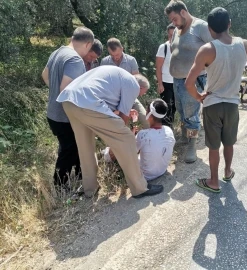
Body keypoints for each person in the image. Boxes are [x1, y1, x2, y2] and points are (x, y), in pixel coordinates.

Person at [56, 66, 164, 198]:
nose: (140, 96)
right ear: (140, 88)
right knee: (126, 139)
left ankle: (90, 189)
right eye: (142, 93)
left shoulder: (116, 75)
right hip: (87, 102)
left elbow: (104, 105)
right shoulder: (132, 83)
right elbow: (122, 121)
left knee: (85, 146)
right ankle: (140, 188)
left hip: (69, 100)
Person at [185, 7, 247, 192]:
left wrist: (199, 97)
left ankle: (213, 181)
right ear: (229, 24)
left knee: (213, 147)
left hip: (213, 104)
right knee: (228, 142)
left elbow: (189, 83)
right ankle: (228, 172)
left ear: (210, 29)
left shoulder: (207, 49)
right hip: (232, 104)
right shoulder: (243, 45)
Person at [41, 26, 94, 187]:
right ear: (87, 44)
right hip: (64, 116)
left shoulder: (57, 52)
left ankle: (79, 178)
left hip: (52, 113)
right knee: (68, 151)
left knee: (70, 147)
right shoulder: (75, 59)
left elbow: (44, 75)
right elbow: (66, 90)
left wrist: (54, 91)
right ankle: (60, 186)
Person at [165, 0, 213, 163]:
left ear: (183, 12)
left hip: (193, 80)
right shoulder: (179, 30)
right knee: (181, 110)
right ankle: (186, 137)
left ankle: (192, 144)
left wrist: (205, 67)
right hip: (177, 80)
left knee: (191, 114)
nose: (173, 22)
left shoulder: (201, 27)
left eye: (174, 19)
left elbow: (216, 48)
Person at [105, 99, 176, 181]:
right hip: (162, 171)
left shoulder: (143, 134)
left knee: (116, 148)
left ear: (149, 114)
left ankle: (106, 156)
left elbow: (129, 153)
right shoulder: (169, 130)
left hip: (146, 175)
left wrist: (129, 136)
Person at [101, 38, 149, 129]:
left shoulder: (131, 61)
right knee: (117, 125)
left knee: (145, 119)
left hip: (130, 97)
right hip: (112, 100)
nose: (115, 57)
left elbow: (136, 82)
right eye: (112, 55)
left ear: (122, 49)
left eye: (117, 54)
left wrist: (128, 101)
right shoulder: (104, 62)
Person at [156, 24, 176, 127]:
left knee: (175, 107)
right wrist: (160, 84)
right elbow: (158, 67)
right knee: (166, 107)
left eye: (174, 35)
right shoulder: (163, 47)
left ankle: (170, 127)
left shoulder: (182, 47)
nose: (171, 37)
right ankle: (166, 130)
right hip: (166, 82)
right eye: (170, 35)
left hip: (178, 82)